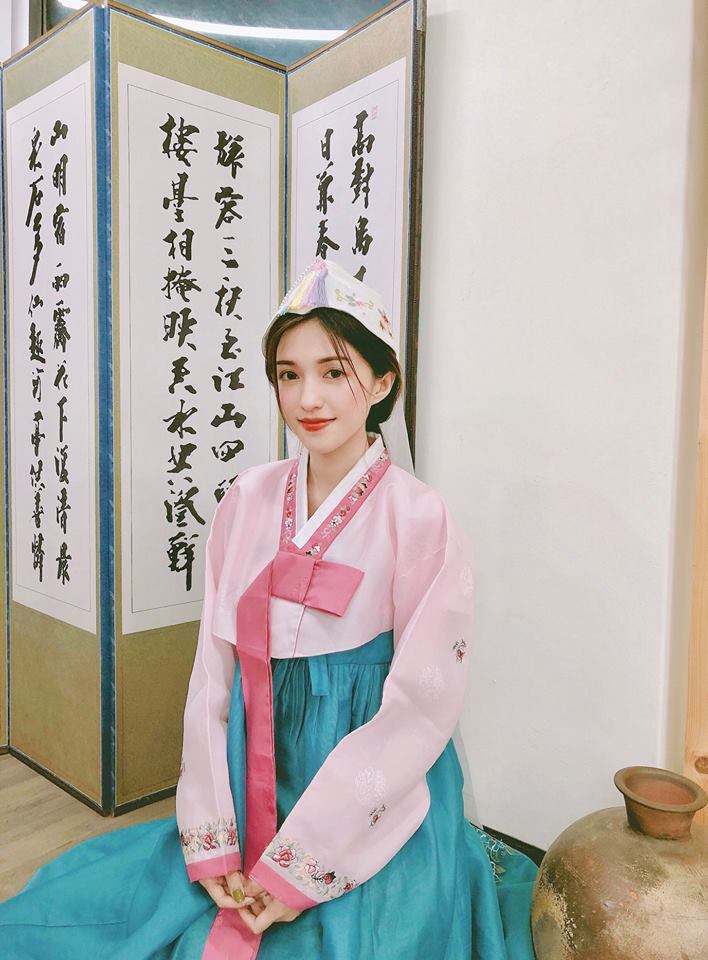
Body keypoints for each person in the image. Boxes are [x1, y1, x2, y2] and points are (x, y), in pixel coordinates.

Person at [0, 258, 538, 959]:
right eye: (289, 374)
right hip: (253, 755)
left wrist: (301, 867)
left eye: (334, 372)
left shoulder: (419, 518)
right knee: (128, 912)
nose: (308, 397)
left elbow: (420, 707)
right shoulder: (248, 498)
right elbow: (213, 669)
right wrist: (211, 832)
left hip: (364, 780)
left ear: (382, 382)